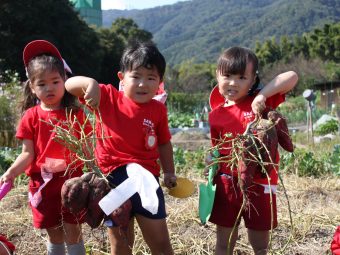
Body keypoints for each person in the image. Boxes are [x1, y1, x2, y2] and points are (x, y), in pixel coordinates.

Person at [65, 41, 176, 255]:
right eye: (136, 77)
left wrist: (169, 171)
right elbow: (70, 85)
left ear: (160, 82)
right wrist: (90, 84)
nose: (143, 84)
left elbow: (163, 142)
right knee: (120, 243)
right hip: (112, 182)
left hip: (146, 182)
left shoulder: (157, 110)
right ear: (121, 78)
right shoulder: (108, 97)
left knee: (161, 242)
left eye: (151, 78)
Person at [207, 46, 298, 255]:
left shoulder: (260, 102)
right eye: (227, 75)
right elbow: (217, 148)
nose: (233, 82)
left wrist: (262, 96)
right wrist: (210, 164)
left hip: (260, 182)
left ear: (253, 79)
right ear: (217, 76)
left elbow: (292, 76)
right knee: (224, 241)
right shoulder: (216, 115)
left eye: (241, 77)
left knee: (260, 244)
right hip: (228, 182)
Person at [0, 40, 87, 255]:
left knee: (73, 230)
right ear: (32, 86)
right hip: (43, 185)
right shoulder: (31, 117)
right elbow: (28, 153)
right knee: (54, 233)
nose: (49, 88)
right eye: (42, 84)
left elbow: (86, 148)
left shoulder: (75, 114)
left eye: (55, 81)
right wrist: (11, 172)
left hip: (72, 181)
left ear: (64, 80)